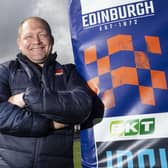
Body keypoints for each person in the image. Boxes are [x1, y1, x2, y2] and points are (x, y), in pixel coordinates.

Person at [0, 16, 103, 168]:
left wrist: (26, 98)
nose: (36, 41)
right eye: (28, 36)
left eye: (42, 35)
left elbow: (82, 107)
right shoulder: (6, 71)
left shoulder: (69, 72)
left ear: (52, 40)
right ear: (19, 43)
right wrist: (49, 124)